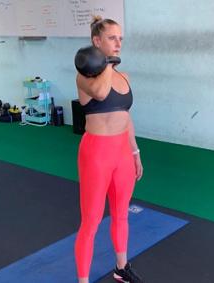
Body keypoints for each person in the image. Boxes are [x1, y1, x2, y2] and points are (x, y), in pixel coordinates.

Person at [74, 16, 144, 283]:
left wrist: (135, 152)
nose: (118, 43)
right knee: (91, 222)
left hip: (122, 153)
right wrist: (107, 64)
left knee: (121, 214)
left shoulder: (123, 76)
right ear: (96, 41)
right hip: (97, 153)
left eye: (120, 39)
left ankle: (121, 267)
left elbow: (126, 117)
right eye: (112, 38)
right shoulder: (85, 77)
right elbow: (102, 94)